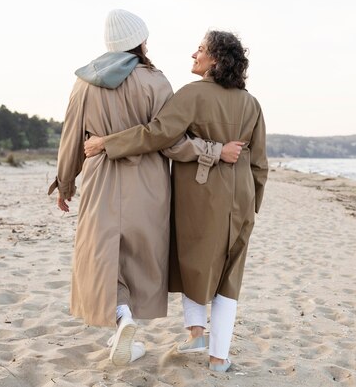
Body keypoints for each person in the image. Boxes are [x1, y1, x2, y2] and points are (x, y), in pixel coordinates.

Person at [49, 9, 240, 366]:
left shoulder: (84, 82)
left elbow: (71, 136)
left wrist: (65, 182)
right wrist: (214, 152)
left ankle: (122, 319)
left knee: (103, 257)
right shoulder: (157, 82)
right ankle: (126, 323)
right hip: (150, 181)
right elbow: (172, 141)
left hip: (101, 177)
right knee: (139, 258)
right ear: (139, 42)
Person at [84, 30, 268, 372]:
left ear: (215, 58)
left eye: (200, 50)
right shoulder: (251, 103)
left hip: (201, 194)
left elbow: (157, 135)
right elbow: (260, 164)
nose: (193, 54)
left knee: (194, 263)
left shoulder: (191, 95)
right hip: (241, 196)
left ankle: (200, 336)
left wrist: (106, 143)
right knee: (229, 276)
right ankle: (217, 357)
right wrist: (252, 204)